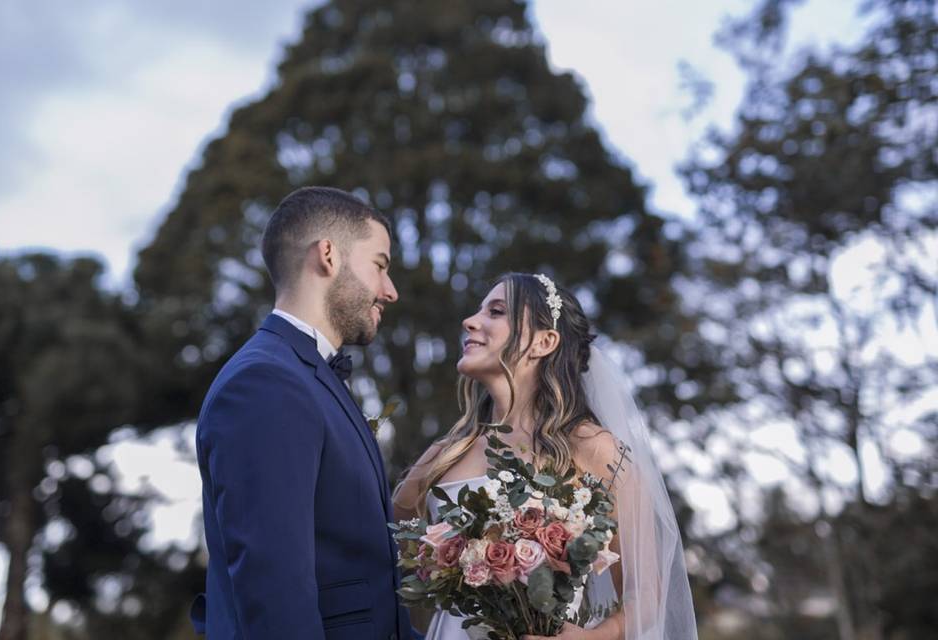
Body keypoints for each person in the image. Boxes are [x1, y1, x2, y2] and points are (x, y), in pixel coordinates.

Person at [393, 272, 698, 640]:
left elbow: (648, 591)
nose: (470, 321)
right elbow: (395, 542)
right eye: (479, 310)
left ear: (544, 341)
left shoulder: (594, 450)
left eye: (496, 311)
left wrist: (592, 637)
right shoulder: (444, 455)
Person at [191, 186, 411, 639]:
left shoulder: (307, 377)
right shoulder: (264, 384)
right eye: (380, 265)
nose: (390, 291)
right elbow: (275, 592)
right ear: (328, 255)